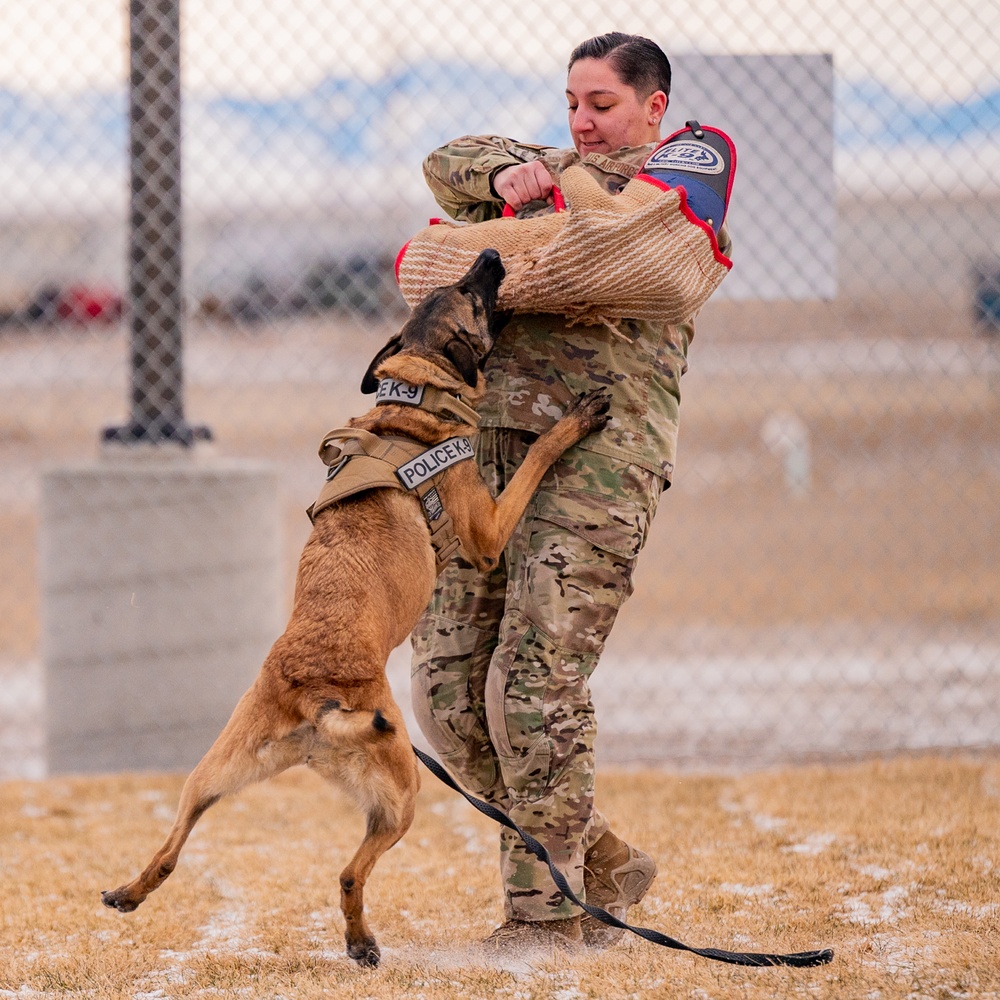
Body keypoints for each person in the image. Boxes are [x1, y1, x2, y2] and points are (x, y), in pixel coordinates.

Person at [410, 31, 733, 952]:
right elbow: (445, 165)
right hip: (486, 456)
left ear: (653, 107)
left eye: (603, 105)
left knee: (532, 680)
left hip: (600, 460)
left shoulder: (674, 187)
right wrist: (520, 169)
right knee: (446, 692)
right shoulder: (550, 167)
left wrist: (529, 217)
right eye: (573, 104)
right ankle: (601, 856)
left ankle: (544, 917)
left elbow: (607, 245)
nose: (585, 123)